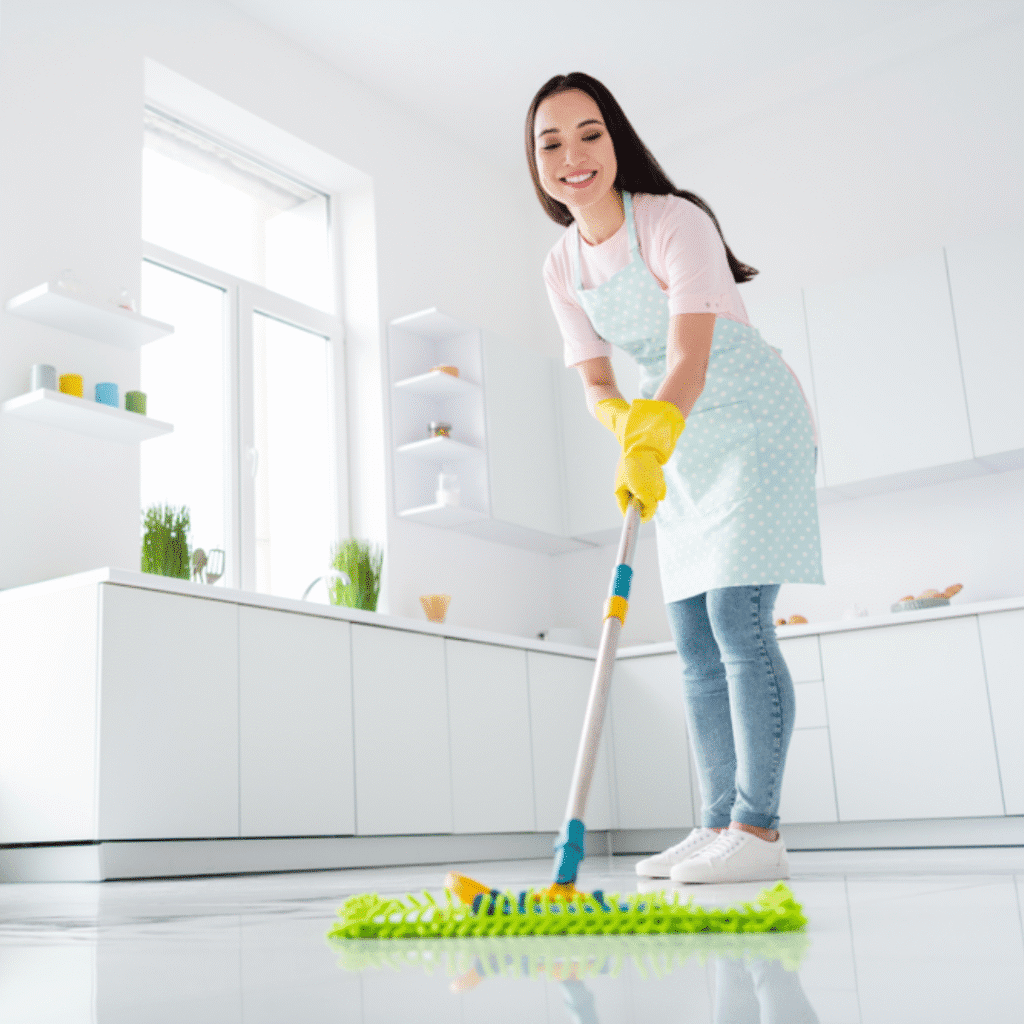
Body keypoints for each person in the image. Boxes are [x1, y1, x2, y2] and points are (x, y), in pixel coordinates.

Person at [527, 72, 824, 885]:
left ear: (615, 139)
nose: (573, 155)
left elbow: (689, 357)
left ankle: (758, 830)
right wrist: (626, 427)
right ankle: (716, 823)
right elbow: (596, 381)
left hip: (752, 421)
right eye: (551, 143)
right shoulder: (560, 267)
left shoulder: (672, 221)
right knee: (692, 638)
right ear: (537, 164)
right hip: (679, 438)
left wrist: (655, 427)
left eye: (589, 133)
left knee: (737, 619)